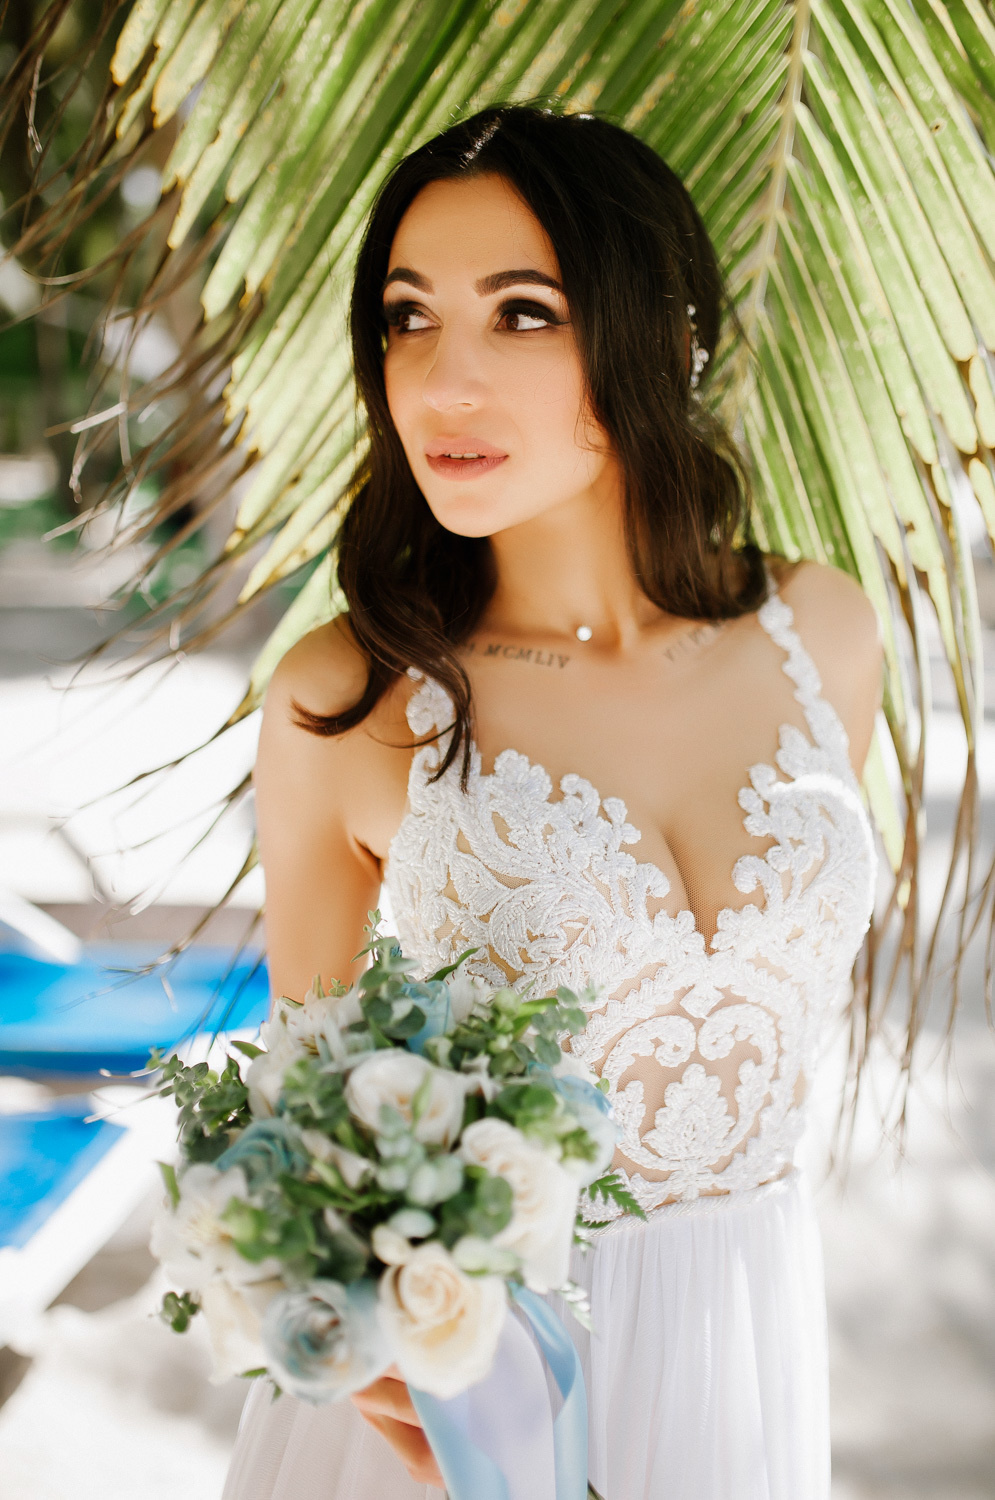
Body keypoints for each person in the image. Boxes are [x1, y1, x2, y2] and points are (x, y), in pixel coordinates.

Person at [222, 105, 882, 1500]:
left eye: (521, 314)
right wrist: (379, 1361)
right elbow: (305, 1142)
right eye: (408, 320)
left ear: (663, 335)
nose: (441, 382)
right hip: (482, 1411)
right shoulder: (349, 702)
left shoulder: (823, 632)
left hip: (747, 1353)